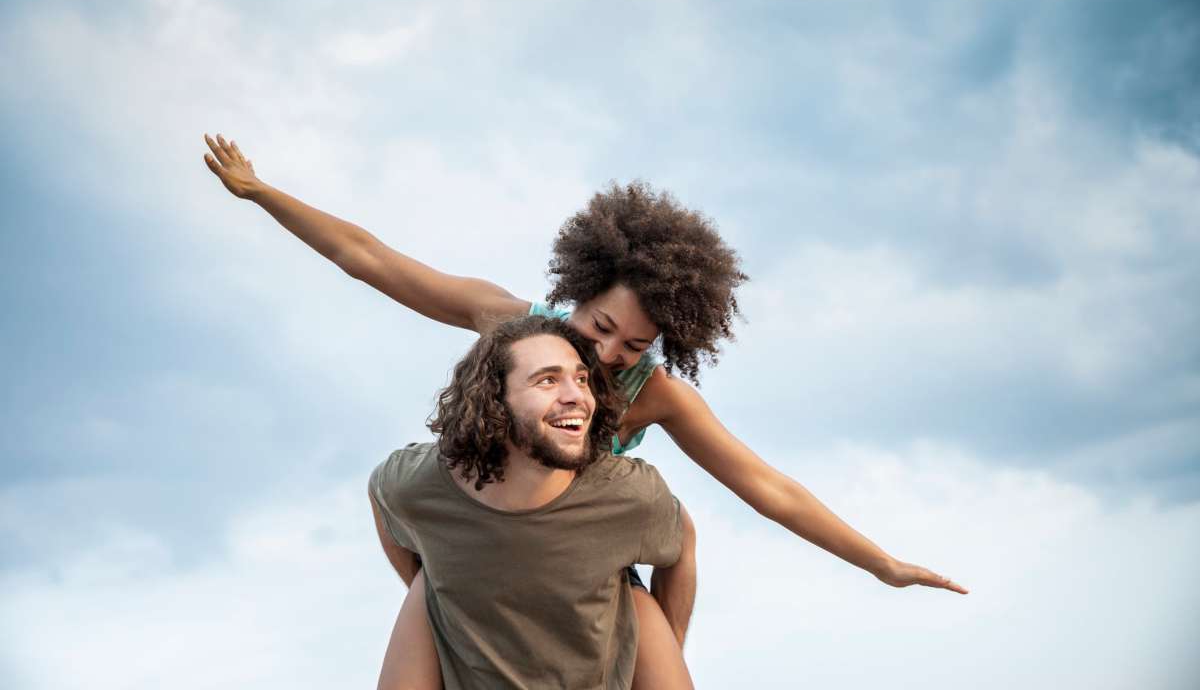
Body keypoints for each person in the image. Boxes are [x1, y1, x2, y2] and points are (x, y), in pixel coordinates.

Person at [202, 133, 967, 686]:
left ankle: (650, 654)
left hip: (588, 563)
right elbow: (371, 260)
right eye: (599, 328)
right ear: (579, 293)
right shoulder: (510, 322)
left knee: (675, 539)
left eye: (632, 347)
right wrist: (264, 193)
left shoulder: (654, 395)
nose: (603, 359)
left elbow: (769, 490)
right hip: (480, 536)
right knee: (430, 568)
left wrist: (882, 565)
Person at [369, 315, 688, 689]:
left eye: (581, 379)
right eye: (548, 380)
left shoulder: (627, 495)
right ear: (494, 400)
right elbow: (382, 494)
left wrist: (668, 643)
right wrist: (443, 589)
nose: (577, 396)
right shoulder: (421, 483)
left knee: (636, 601)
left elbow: (683, 543)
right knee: (428, 587)